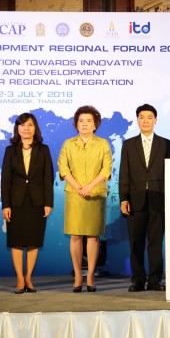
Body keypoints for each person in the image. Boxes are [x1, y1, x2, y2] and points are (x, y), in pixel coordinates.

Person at [58, 105, 112, 293]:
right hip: (74, 194)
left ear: (95, 124)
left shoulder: (103, 144)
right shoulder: (68, 144)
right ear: (76, 124)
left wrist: (89, 187)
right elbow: (63, 168)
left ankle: (90, 276)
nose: (85, 124)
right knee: (75, 235)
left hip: (95, 194)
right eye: (81, 121)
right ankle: (77, 276)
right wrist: (78, 187)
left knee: (93, 236)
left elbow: (106, 168)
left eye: (89, 121)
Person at [119, 104, 170, 292]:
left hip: (159, 199)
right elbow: (124, 174)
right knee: (136, 242)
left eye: (150, 117)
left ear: (155, 120)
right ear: (137, 120)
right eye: (142, 117)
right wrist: (124, 199)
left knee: (156, 243)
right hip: (135, 200)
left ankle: (155, 280)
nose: (146, 121)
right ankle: (138, 280)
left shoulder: (165, 144)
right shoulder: (128, 144)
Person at [1, 113, 54, 294]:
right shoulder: (10, 150)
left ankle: (29, 278)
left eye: (30, 125)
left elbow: (48, 177)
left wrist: (48, 202)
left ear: (35, 128)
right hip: (15, 203)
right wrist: (6, 205)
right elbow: (6, 180)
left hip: (37, 202)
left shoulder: (43, 150)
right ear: (17, 128)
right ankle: (19, 279)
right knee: (16, 241)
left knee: (33, 241)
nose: (26, 128)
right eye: (22, 125)